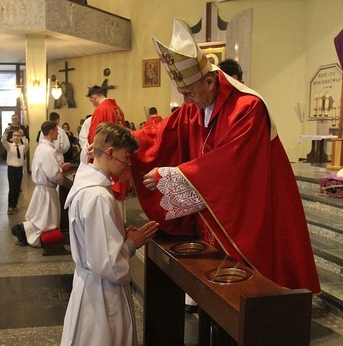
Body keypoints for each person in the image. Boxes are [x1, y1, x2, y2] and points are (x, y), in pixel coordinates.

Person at [131, 19, 320, 294]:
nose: (185, 102)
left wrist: (173, 175)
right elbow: (162, 133)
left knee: (250, 293)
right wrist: (125, 142)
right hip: (213, 216)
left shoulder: (248, 107)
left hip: (250, 210)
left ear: (209, 81)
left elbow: (232, 165)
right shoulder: (196, 106)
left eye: (189, 93)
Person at [61, 122, 159, 345]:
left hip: (89, 283)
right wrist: (132, 243)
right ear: (110, 152)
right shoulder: (98, 196)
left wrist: (118, 235)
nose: (128, 164)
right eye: (126, 156)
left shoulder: (87, 184)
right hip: (102, 293)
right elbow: (109, 264)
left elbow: (94, 240)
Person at [11, 121, 71, 247]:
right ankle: (25, 232)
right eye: (56, 130)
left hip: (42, 188)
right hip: (47, 190)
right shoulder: (48, 150)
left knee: (41, 217)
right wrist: (61, 169)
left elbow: (45, 168)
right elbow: (53, 174)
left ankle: (24, 230)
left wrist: (57, 167)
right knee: (45, 221)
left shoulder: (41, 147)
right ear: (51, 132)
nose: (58, 132)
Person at [1, 127, 29, 214]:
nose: (16, 137)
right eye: (15, 135)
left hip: (19, 169)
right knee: (12, 187)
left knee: (17, 188)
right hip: (11, 169)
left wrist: (23, 135)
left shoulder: (22, 147)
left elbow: (27, 144)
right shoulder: (9, 146)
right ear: (12, 137)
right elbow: (3, 141)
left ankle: (15, 205)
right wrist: (6, 132)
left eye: (18, 135)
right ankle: (10, 205)